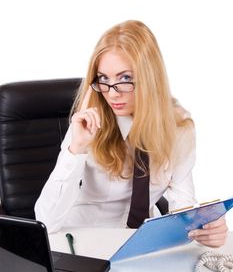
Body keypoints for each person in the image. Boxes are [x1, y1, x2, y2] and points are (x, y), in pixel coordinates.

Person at [35, 20, 227, 247]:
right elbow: (45, 220)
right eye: (104, 79)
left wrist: (203, 228)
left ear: (150, 78)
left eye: (125, 79)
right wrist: (76, 148)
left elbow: (182, 204)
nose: (112, 93)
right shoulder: (89, 124)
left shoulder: (178, 128)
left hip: (141, 243)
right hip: (80, 241)